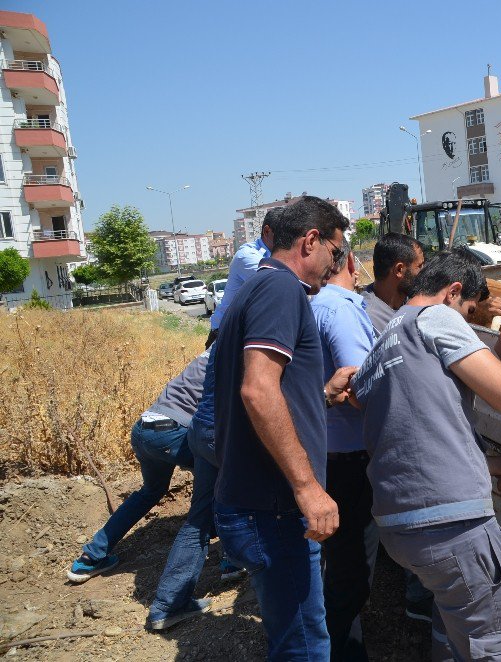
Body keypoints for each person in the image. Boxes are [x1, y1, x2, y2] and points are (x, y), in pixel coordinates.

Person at [353, 250, 501, 661]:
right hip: (451, 527)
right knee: (495, 647)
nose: (468, 319)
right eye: (469, 309)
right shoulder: (437, 317)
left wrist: (491, 463)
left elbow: (417, 427)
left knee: (453, 633)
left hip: (400, 526)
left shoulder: (386, 336)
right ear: (453, 291)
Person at [213, 196, 354, 660]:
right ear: (310, 241)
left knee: (293, 637)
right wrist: (308, 486)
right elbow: (258, 391)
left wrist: (320, 395)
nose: (334, 268)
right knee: (305, 647)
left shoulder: (254, 288)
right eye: (335, 253)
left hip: (258, 503)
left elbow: (269, 391)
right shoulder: (281, 290)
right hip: (272, 509)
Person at [68, 351, 210, 590]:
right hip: (174, 432)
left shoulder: (204, 356)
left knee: (151, 491)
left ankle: (90, 558)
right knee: (222, 481)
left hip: (145, 427)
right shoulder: (232, 355)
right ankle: (232, 562)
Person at [358, 232, 435, 621]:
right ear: (400, 269)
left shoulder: (399, 305)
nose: (423, 275)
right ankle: (416, 599)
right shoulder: (370, 316)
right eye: (419, 267)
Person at [145, 341, 244, 631]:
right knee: (247, 501)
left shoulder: (222, 337)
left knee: (200, 518)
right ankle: (235, 565)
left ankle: (167, 604)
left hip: (200, 430)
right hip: (224, 433)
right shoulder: (263, 321)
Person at [311, 247, 377, 660]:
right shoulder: (343, 310)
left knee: (337, 565)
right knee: (352, 575)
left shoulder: (315, 305)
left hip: (326, 452)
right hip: (351, 459)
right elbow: (360, 386)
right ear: (351, 263)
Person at [204, 208, 278, 349]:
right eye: (284, 234)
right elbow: (277, 284)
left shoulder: (273, 255)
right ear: (267, 231)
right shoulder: (248, 256)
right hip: (225, 336)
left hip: (245, 334)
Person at [361, 232, 424, 333]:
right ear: (399, 270)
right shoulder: (367, 320)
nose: (423, 272)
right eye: (419, 266)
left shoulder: (412, 301)